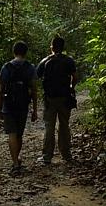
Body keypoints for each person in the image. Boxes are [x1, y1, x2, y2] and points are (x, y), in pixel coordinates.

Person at [0, 40, 39, 173]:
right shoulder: (30, 67)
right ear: (26, 52)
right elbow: (34, 89)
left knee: (12, 134)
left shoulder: (6, 67)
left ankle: (15, 163)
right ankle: (17, 159)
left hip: (9, 104)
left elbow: (1, 89)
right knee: (19, 133)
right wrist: (35, 109)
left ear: (14, 51)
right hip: (23, 103)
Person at [36, 36, 79, 164]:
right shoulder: (69, 61)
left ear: (52, 47)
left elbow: (36, 76)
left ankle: (47, 156)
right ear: (63, 47)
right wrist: (71, 87)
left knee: (49, 126)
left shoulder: (45, 61)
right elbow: (75, 77)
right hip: (65, 97)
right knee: (64, 125)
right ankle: (66, 154)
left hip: (50, 98)